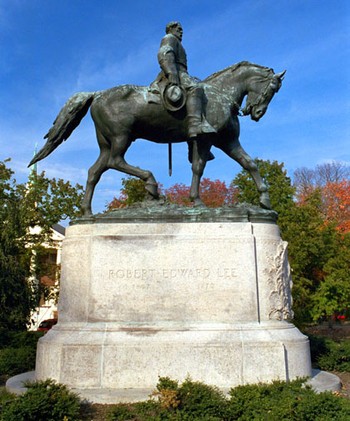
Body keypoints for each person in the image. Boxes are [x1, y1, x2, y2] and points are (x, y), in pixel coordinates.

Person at [157, 21, 216, 139]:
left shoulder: (178, 43)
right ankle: (195, 125)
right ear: (171, 29)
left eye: (181, 29)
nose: (181, 32)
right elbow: (164, 53)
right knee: (195, 88)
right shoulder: (169, 38)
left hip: (182, 72)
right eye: (178, 29)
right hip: (176, 72)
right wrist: (171, 72)